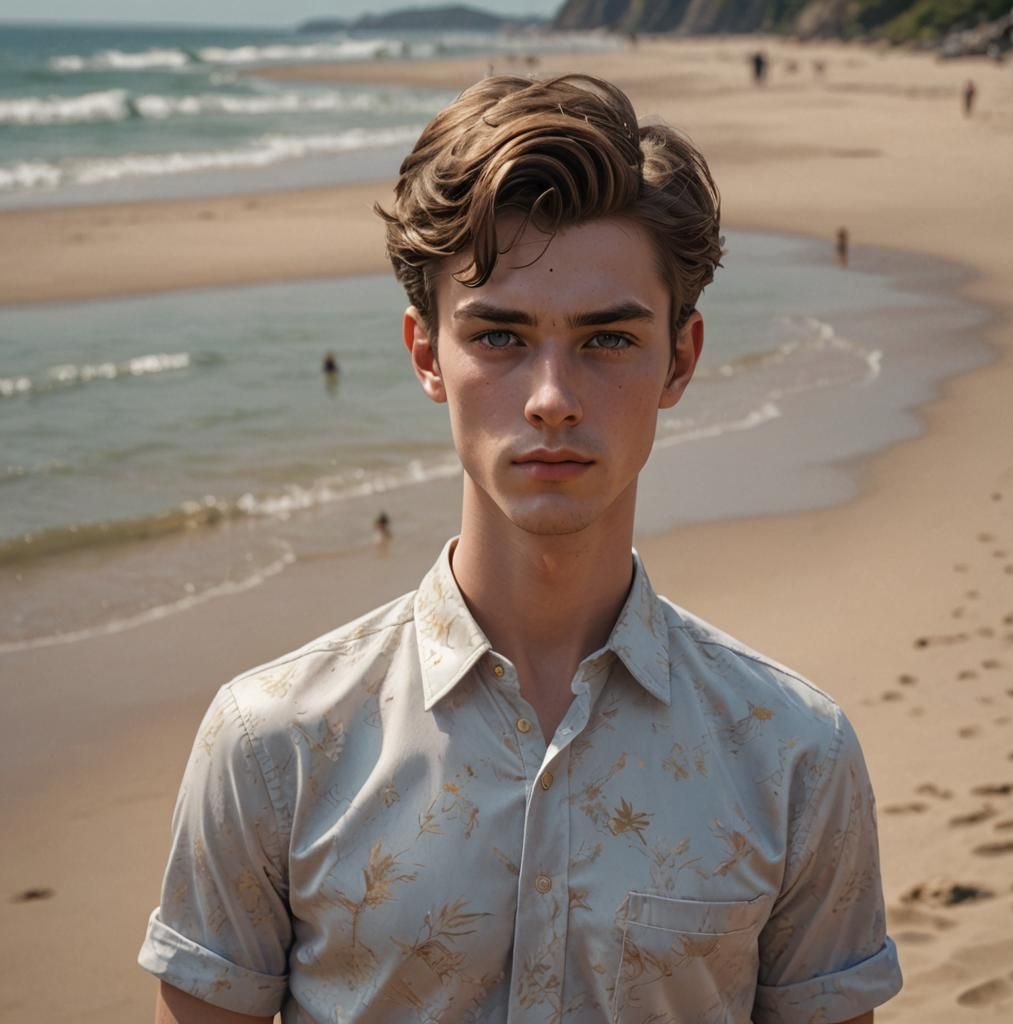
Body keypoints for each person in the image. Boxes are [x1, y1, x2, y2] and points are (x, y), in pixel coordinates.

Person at [140, 75, 902, 1023]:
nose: (551, 398)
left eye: (607, 340)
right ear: (427, 354)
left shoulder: (793, 756)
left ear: (680, 358)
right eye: (499, 335)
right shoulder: (272, 746)